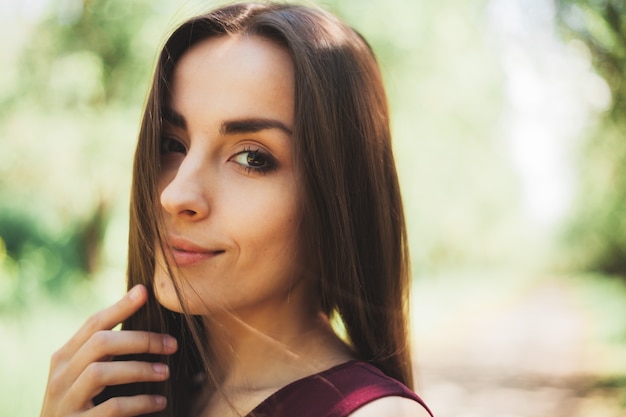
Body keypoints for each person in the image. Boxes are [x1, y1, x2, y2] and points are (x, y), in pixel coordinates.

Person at [39, 2, 433, 417]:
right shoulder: (122, 397)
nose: (176, 195)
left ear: (338, 198)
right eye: (173, 144)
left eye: (251, 158)